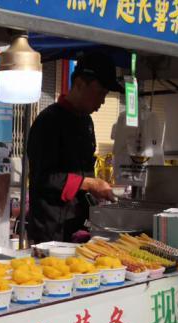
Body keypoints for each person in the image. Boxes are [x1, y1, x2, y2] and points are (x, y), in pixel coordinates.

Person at [26, 52, 122, 243]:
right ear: (79, 84)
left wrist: (95, 188)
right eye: (101, 92)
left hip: (78, 223)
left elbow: (85, 168)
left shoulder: (86, 121)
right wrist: (88, 183)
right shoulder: (48, 121)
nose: (103, 101)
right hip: (50, 228)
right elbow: (43, 178)